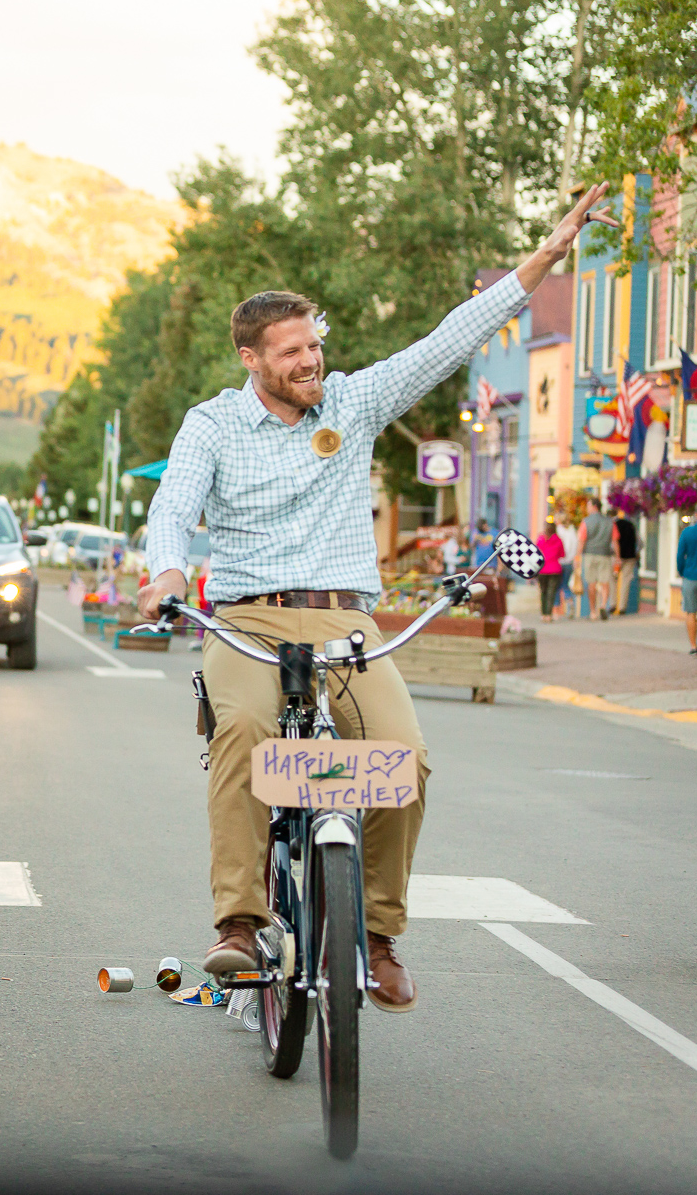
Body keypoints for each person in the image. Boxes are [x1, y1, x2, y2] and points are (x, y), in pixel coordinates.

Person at [138, 184, 617, 1012]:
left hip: (345, 621)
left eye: (312, 344)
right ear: (251, 359)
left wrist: (546, 254)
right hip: (246, 617)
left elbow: (449, 339)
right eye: (289, 352)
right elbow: (172, 508)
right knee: (246, 736)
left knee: (403, 758)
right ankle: (240, 925)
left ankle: (380, 936)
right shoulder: (211, 426)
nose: (309, 361)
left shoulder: (353, 403)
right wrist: (168, 572)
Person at [574, 496, 620, 621]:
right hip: (605, 554)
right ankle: (604, 605)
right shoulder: (610, 522)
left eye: (588, 506)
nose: (587, 509)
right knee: (605, 582)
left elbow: (581, 541)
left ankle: (593, 612)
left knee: (591, 584)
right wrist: (618, 557)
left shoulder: (586, 522)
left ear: (594, 506)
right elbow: (615, 541)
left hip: (589, 554)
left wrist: (577, 557)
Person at [676, 503, 697, 654]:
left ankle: (693, 646)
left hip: (690, 577)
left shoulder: (687, 533)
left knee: (691, 612)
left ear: (696, 515)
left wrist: (682, 571)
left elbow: (679, 557)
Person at [610, 510, 638, 615]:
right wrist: (636, 553)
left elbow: (613, 541)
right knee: (626, 581)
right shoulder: (631, 525)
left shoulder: (614, 526)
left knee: (612, 579)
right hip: (630, 557)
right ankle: (622, 606)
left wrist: (616, 555)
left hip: (616, 556)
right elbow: (639, 542)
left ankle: (613, 603)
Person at [535, 521, 565, 622]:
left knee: (543, 592)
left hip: (542, 569)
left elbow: (535, 553)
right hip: (554, 569)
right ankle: (549, 614)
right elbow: (562, 554)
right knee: (551, 592)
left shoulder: (540, 539)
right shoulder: (558, 540)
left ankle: (543, 614)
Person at [555, 514, 578, 618]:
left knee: (556, 586)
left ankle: (556, 610)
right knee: (565, 585)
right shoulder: (572, 532)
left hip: (560, 562)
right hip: (570, 562)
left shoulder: (558, 531)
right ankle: (570, 603)